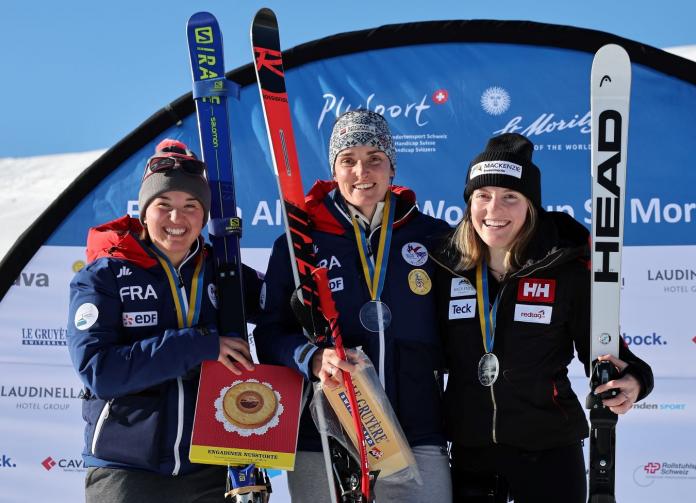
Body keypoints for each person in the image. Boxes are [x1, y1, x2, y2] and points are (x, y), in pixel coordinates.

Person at [433, 133, 654, 503]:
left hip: (549, 450)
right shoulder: (446, 268)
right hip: (471, 455)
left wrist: (635, 378)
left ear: (531, 205)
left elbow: (603, 347)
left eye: (510, 197)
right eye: (482, 196)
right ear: (469, 203)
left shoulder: (563, 268)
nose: (494, 210)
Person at [253, 109, 452, 502]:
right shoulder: (299, 244)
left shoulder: (434, 238)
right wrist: (310, 357)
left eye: (374, 159)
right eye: (348, 160)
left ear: (391, 168)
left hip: (416, 429)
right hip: (324, 434)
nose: (362, 171)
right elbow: (270, 331)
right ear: (335, 170)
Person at [67, 139, 262, 503]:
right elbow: (99, 371)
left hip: (210, 468)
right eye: (164, 205)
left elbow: (280, 312)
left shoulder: (225, 275)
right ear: (143, 213)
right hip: (126, 468)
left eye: (191, 206)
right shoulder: (104, 276)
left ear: (204, 216)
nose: (177, 219)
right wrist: (200, 343)